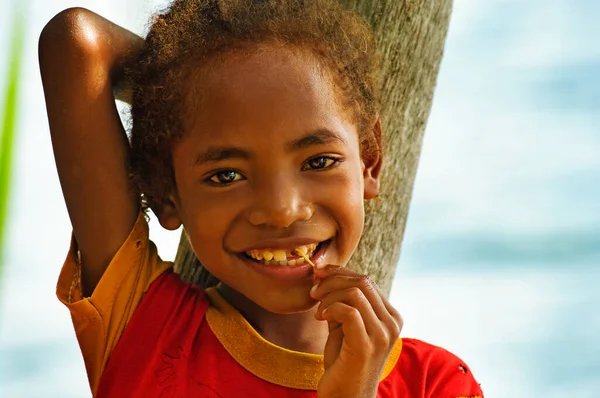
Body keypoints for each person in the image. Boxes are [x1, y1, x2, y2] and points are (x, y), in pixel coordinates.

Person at [39, 1, 484, 397]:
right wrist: (179, 90)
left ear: (368, 159)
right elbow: (76, 43)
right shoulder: (144, 326)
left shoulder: (437, 384)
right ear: (165, 194)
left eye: (318, 162)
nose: (282, 209)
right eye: (226, 175)